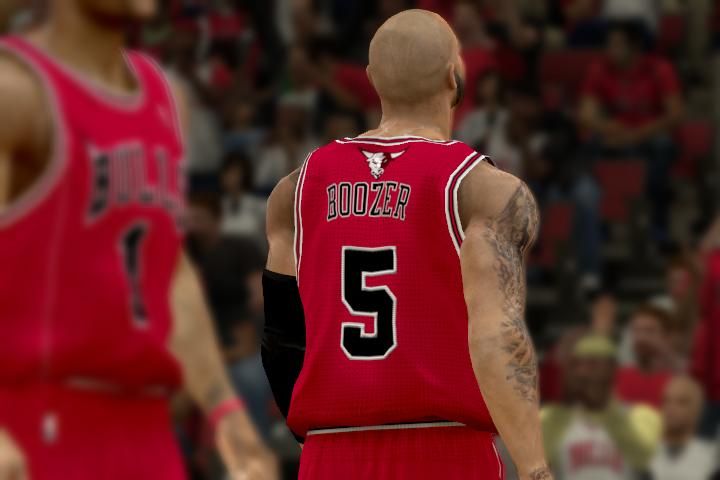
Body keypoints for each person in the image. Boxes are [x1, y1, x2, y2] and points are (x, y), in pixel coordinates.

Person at [263, 8, 552, 480]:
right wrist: (534, 465)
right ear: (453, 77)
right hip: (444, 447)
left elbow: (281, 335)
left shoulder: (294, 189)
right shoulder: (482, 188)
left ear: (372, 79)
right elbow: (497, 335)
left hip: (331, 449)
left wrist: (314, 436)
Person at [0, 1, 276, 479]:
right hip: (40, 421)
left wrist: (222, 405)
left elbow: (169, 273)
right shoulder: (16, 90)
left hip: (148, 430)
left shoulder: (169, 97)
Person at [579, 20, 683, 245]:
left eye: (616, 45)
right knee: (588, 147)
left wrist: (635, 136)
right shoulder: (600, 69)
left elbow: (675, 114)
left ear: (634, 47)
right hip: (617, 136)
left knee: (663, 147)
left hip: (648, 136)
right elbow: (586, 115)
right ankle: (600, 223)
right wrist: (607, 127)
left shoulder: (659, 69)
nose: (610, 50)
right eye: (609, 44)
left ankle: (657, 224)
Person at [541, 335, 660, 480]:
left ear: (613, 369)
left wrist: (606, 407)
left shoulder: (641, 415)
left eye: (593, 365)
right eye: (578, 365)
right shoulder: (551, 418)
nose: (585, 373)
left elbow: (643, 458)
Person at [650, 376, 719, 480]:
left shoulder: (710, 461)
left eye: (681, 402)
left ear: (697, 409)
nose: (671, 408)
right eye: (667, 400)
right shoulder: (646, 455)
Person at [616, 305, 677, 408]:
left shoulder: (676, 383)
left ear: (667, 337)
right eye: (636, 330)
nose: (641, 337)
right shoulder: (617, 378)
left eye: (649, 331)